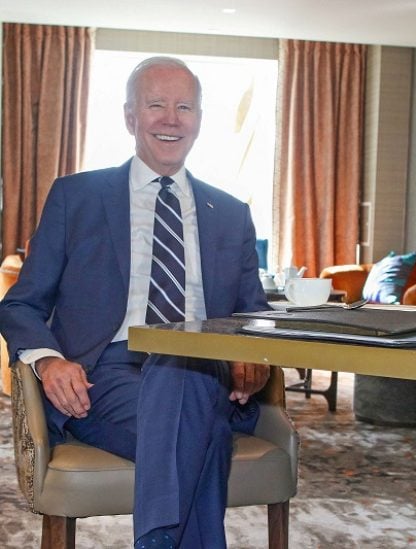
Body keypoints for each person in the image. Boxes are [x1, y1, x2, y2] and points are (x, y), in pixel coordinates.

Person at [0, 56, 269, 548]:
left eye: (184, 107)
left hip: (206, 373)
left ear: (199, 120)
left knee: (183, 374)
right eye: (156, 105)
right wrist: (48, 360)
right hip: (106, 375)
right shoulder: (76, 197)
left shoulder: (231, 214)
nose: (172, 119)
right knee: (199, 428)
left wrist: (257, 355)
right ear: (130, 117)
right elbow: (21, 304)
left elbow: (255, 313)